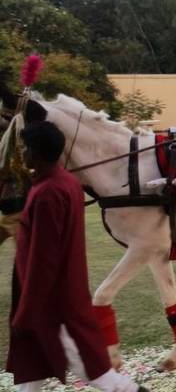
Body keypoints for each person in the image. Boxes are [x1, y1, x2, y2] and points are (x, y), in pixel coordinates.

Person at [5, 121, 147, 392]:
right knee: (33, 367)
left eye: (25, 147)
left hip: (52, 302)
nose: (21, 152)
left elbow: (44, 258)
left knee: (97, 372)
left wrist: (27, 310)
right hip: (54, 295)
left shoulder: (49, 192)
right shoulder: (66, 182)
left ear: (35, 152)